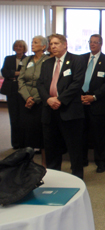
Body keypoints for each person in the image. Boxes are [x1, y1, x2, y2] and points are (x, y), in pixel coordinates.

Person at [37, 34, 85, 179]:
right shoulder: (46, 63)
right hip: (49, 110)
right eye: (51, 44)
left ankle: (77, 176)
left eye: (56, 43)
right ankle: (54, 176)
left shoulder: (77, 60)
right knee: (51, 147)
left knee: (74, 146)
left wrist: (60, 100)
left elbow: (77, 83)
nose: (53, 46)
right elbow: (40, 84)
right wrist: (48, 100)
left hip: (69, 110)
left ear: (65, 44)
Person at [80, 34, 105, 173]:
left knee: (99, 135)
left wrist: (93, 97)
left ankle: (101, 162)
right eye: (91, 42)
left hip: (98, 103)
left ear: (101, 44)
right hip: (81, 102)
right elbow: (75, 79)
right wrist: (81, 96)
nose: (92, 44)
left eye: (96, 42)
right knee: (81, 133)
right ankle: (82, 159)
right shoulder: (81, 59)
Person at [17, 36, 49, 166]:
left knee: (42, 134)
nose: (32, 44)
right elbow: (21, 80)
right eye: (32, 42)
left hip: (40, 102)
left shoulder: (48, 61)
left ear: (43, 46)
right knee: (26, 133)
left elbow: (46, 83)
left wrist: (34, 99)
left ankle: (44, 164)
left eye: (35, 42)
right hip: (26, 101)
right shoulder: (26, 60)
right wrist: (27, 98)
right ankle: (27, 164)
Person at [1, 40, 28, 149]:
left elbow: (27, 73)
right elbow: (4, 72)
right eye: (16, 46)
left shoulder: (28, 59)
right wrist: (17, 73)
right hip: (11, 90)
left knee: (23, 116)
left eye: (20, 46)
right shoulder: (8, 58)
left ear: (24, 48)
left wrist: (12, 74)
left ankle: (24, 142)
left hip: (23, 90)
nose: (18, 48)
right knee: (13, 117)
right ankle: (15, 143)